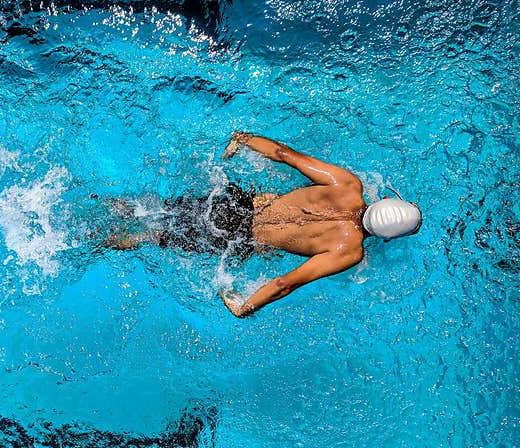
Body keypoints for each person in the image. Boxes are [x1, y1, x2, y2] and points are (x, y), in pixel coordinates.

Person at [105, 131, 422, 317]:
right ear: (388, 237)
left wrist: (244, 139)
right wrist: (246, 307)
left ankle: (103, 203)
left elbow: (285, 154)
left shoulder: (347, 185)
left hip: (236, 204)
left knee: (151, 210)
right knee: (153, 236)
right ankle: (97, 241)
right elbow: (286, 283)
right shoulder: (349, 251)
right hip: (239, 239)